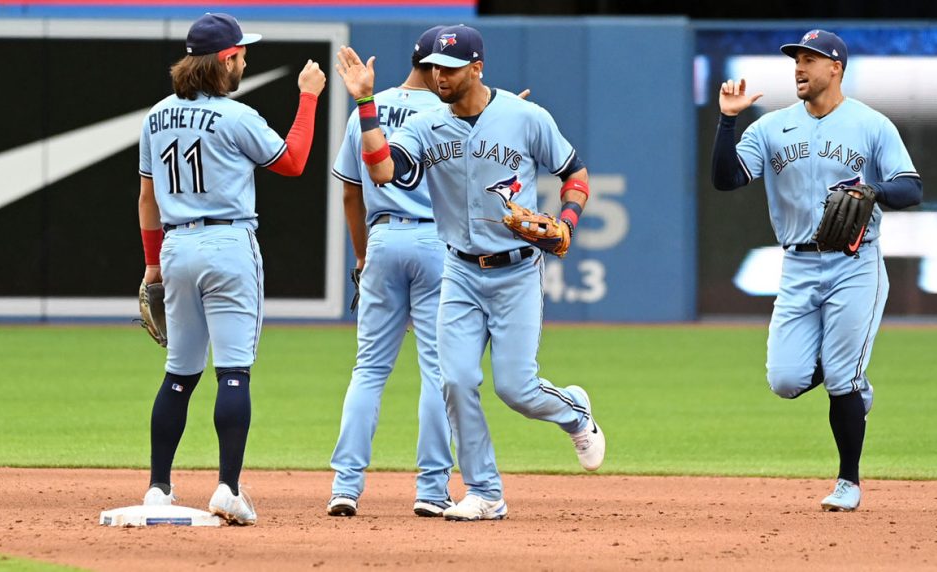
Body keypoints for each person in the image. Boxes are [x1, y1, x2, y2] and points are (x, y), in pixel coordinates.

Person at [334, 24, 606, 522]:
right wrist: (365, 103)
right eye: (435, 67)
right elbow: (380, 171)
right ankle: (484, 491)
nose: (441, 76)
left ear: (477, 68)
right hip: (457, 269)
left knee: (515, 389)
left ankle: (574, 412)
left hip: (516, 271)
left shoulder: (526, 117)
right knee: (454, 382)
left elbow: (575, 173)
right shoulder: (425, 126)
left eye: (452, 69)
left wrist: (567, 221)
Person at [711, 29, 922, 511]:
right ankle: (853, 380)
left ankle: (848, 482)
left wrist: (874, 191)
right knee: (785, 380)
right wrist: (727, 122)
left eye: (811, 59)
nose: (800, 68)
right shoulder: (770, 127)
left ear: (836, 68)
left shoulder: (871, 125)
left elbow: (910, 188)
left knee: (841, 377)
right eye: (797, 60)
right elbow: (726, 180)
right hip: (798, 265)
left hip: (855, 262)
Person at [136, 12, 326, 525]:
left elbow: (147, 198)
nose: (245, 60)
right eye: (242, 53)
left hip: (176, 247)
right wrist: (308, 97)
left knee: (179, 373)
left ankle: (157, 487)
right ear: (226, 60)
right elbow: (293, 162)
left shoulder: (156, 116)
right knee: (234, 372)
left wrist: (153, 264)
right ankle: (228, 488)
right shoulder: (235, 116)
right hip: (227, 244)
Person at [326, 26, 455, 519]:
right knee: (438, 371)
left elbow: (350, 191)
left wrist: (361, 257)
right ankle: (431, 490)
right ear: (439, 70)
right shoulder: (451, 113)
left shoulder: (370, 105)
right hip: (437, 243)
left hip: (382, 239)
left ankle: (345, 485)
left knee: (369, 369)